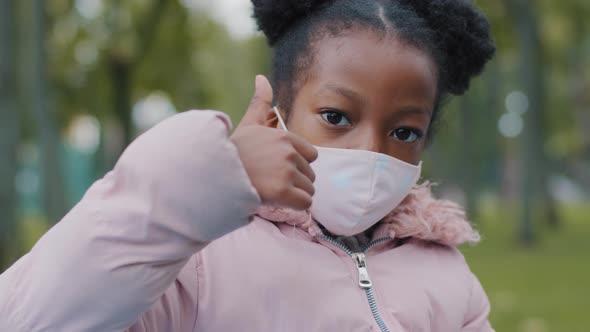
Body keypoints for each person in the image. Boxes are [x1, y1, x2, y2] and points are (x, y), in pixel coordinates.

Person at [0, 0, 496, 331]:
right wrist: (210, 178)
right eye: (336, 116)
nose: (370, 150)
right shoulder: (196, 257)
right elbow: (33, 318)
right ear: (278, 109)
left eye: (404, 131)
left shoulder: (447, 275)